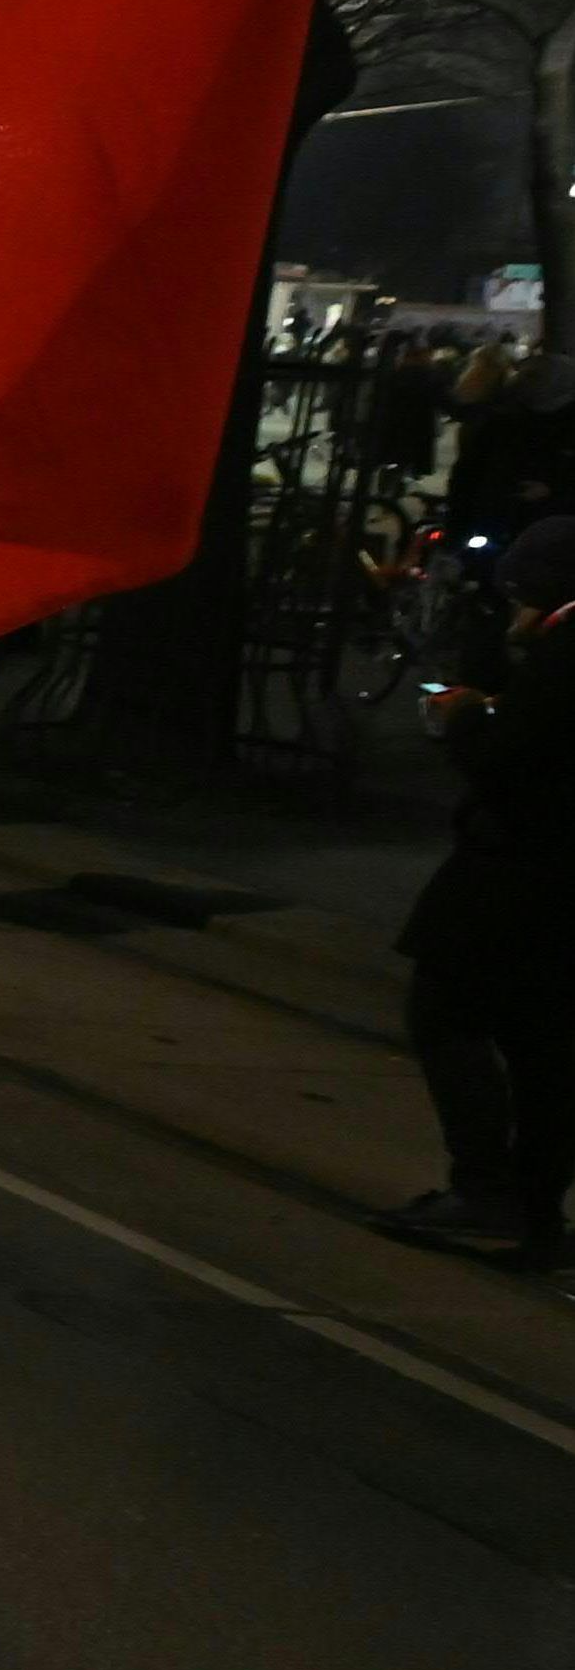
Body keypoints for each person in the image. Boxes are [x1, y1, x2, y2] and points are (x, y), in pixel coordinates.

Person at [374, 514, 575, 1268]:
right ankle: (533, 1203)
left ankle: (485, 1187)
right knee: (542, 1040)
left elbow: (511, 764)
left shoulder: (565, 653)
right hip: (557, 883)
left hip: (517, 872)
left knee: (445, 1010)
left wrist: (462, 719)